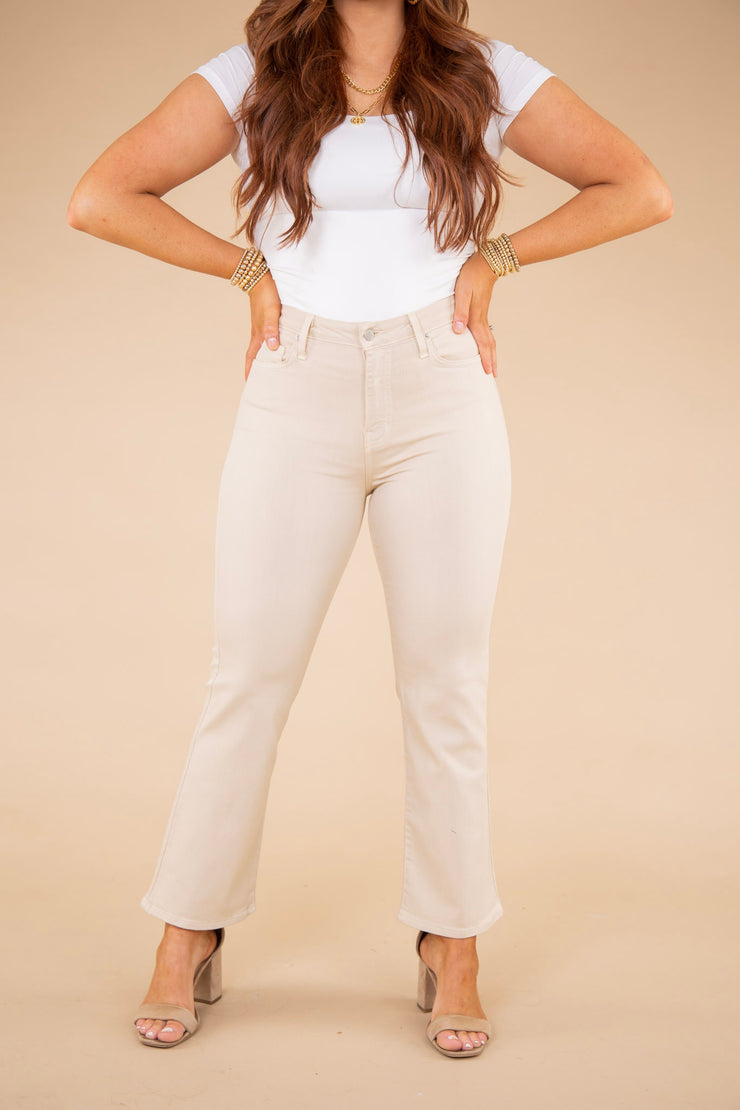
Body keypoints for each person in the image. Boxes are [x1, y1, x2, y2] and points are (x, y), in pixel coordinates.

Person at [67, 0, 672, 1058]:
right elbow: (100, 195)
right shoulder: (256, 71)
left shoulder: (482, 71)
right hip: (295, 378)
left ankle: (453, 940)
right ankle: (187, 929)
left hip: (440, 382)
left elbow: (640, 188)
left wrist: (494, 259)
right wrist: (246, 272)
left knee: (445, 679)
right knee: (248, 672)